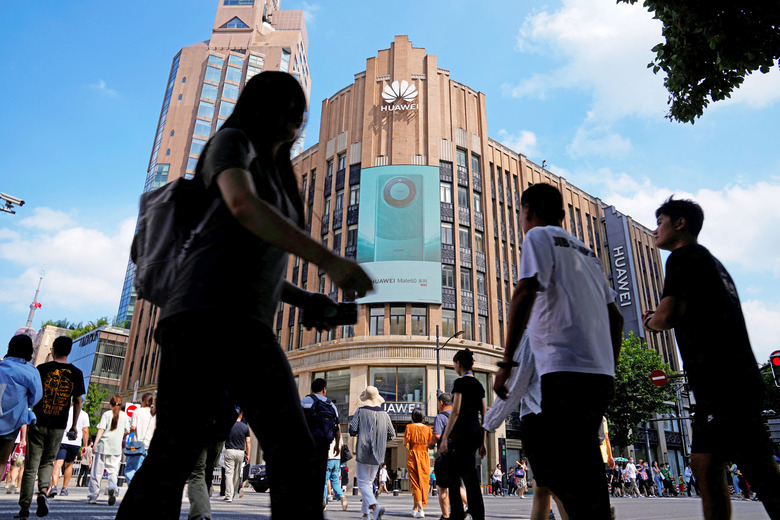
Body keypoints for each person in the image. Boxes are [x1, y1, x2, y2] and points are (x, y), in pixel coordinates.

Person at [116, 71, 371, 520]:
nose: (296, 120)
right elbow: (241, 206)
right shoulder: (231, 142)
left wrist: (307, 300)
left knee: (211, 450)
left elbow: (253, 264)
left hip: (239, 321)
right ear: (263, 108)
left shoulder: (276, 173)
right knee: (196, 450)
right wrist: (329, 260)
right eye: (288, 109)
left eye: (301, 112)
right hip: (204, 317)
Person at [642, 196, 780, 519]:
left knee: (756, 471)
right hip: (732, 380)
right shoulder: (712, 263)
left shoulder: (682, 257)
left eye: (660, 222)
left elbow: (668, 313)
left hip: (722, 383)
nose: (655, 229)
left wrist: (651, 320)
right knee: (706, 464)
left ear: (680, 223)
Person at [494, 183, 623, 520]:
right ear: (564, 215)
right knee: (584, 463)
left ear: (526, 212)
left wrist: (506, 362)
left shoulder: (537, 237)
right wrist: (611, 370)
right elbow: (617, 317)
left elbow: (524, 291)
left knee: (557, 468)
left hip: (562, 372)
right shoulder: (588, 253)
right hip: (597, 375)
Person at [17, 336, 85, 519]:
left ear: (53, 349)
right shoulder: (76, 373)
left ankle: (24, 507)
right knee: (48, 461)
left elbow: (31, 393)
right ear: (69, 351)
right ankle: (43, 492)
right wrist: (73, 426)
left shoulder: (41, 369)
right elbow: (78, 401)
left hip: (38, 421)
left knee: (31, 465)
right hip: (59, 425)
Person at [439, 349, 487, 520]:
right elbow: (484, 413)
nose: (454, 367)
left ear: (458, 364)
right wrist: (483, 440)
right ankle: (477, 513)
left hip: (461, 434)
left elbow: (456, 411)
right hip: (475, 433)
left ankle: (457, 514)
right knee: (470, 473)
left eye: (454, 364)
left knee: (453, 474)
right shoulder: (480, 385)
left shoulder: (460, 383)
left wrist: (445, 437)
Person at [0, 335, 42, 494]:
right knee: (2, 461)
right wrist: (24, 403)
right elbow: (36, 397)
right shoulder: (31, 371)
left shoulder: (1, 366)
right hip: (12, 421)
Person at [349, 386, 394, 520]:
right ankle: (365, 515)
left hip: (363, 450)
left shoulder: (360, 411)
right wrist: (380, 438)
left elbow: (352, 429)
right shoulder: (385, 414)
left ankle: (375, 507)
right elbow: (392, 434)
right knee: (368, 483)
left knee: (362, 483)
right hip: (378, 453)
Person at [301, 377, 340, 508]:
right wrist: (337, 445)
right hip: (324, 443)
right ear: (324, 389)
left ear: (312, 389)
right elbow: (337, 428)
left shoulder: (304, 401)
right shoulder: (331, 404)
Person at [86, 395, 129, 505]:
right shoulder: (124, 416)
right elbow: (128, 430)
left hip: (103, 446)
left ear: (111, 404)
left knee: (96, 473)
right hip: (116, 448)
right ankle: (112, 488)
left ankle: (93, 496)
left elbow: (101, 429)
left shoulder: (106, 414)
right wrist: (120, 435)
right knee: (113, 472)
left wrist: (95, 444)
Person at [428, 392, 464, 519]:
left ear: (441, 403)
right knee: (456, 485)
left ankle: (445, 515)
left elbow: (437, 436)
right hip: (458, 455)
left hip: (444, 456)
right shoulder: (458, 416)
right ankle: (470, 505)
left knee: (443, 487)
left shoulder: (440, 417)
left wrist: (430, 445)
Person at [48, 403, 89, 497]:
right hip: (75, 442)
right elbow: (85, 430)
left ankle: (54, 486)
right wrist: (85, 444)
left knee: (58, 463)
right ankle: (64, 488)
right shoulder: (84, 414)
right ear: (81, 403)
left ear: (71, 402)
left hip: (62, 440)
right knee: (69, 464)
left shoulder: (65, 411)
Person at [404, 408, 432, 518]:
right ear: (423, 417)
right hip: (424, 455)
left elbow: (404, 442)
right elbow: (431, 444)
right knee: (424, 481)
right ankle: (414, 508)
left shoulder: (409, 427)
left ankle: (420, 509)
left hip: (413, 454)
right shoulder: (429, 429)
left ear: (413, 417)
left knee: (415, 482)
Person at [124, 392, 156, 484]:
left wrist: (125, 433)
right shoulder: (154, 414)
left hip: (137, 445)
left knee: (130, 469)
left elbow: (133, 427)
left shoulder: (138, 411)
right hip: (149, 446)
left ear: (144, 402)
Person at [223, 411, 250, 503]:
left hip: (229, 450)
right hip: (240, 452)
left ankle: (228, 495)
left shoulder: (228, 425)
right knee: (236, 474)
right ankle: (233, 492)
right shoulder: (245, 427)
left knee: (228, 474)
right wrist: (248, 454)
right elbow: (248, 442)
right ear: (241, 416)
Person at [323, 432, 348, 511]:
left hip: (328, 458)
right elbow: (341, 445)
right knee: (335, 482)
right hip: (337, 459)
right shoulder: (338, 433)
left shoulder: (327, 429)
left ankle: (324, 502)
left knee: (324, 481)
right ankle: (342, 497)